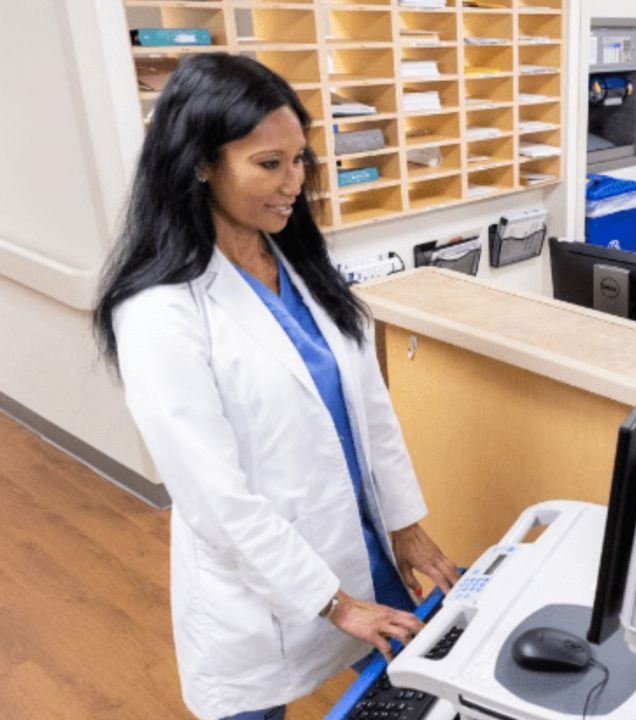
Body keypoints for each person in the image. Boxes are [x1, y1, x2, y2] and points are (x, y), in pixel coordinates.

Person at [93, 54, 460, 720]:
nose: (293, 182)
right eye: (269, 164)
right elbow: (216, 497)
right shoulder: (159, 313)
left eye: (300, 160)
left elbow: (367, 407)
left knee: (420, 693)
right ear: (200, 163)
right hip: (257, 591)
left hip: (361, 544)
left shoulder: (294, 256)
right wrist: (336, 603)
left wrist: (406, 527)